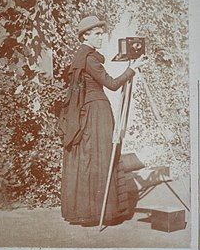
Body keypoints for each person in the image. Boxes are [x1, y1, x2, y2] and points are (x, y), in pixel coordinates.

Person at [60, 15, 146, 226]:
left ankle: (91, 211)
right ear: (85, 35)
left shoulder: (84, 56)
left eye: (102, 33)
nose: (101, 37)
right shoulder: (88, 58)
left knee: (93, 158)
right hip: (96, 113)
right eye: (97, 34)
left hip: (91, 112)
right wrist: (132, 69)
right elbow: (112, 84)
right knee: (101, 156)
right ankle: (100, 211)